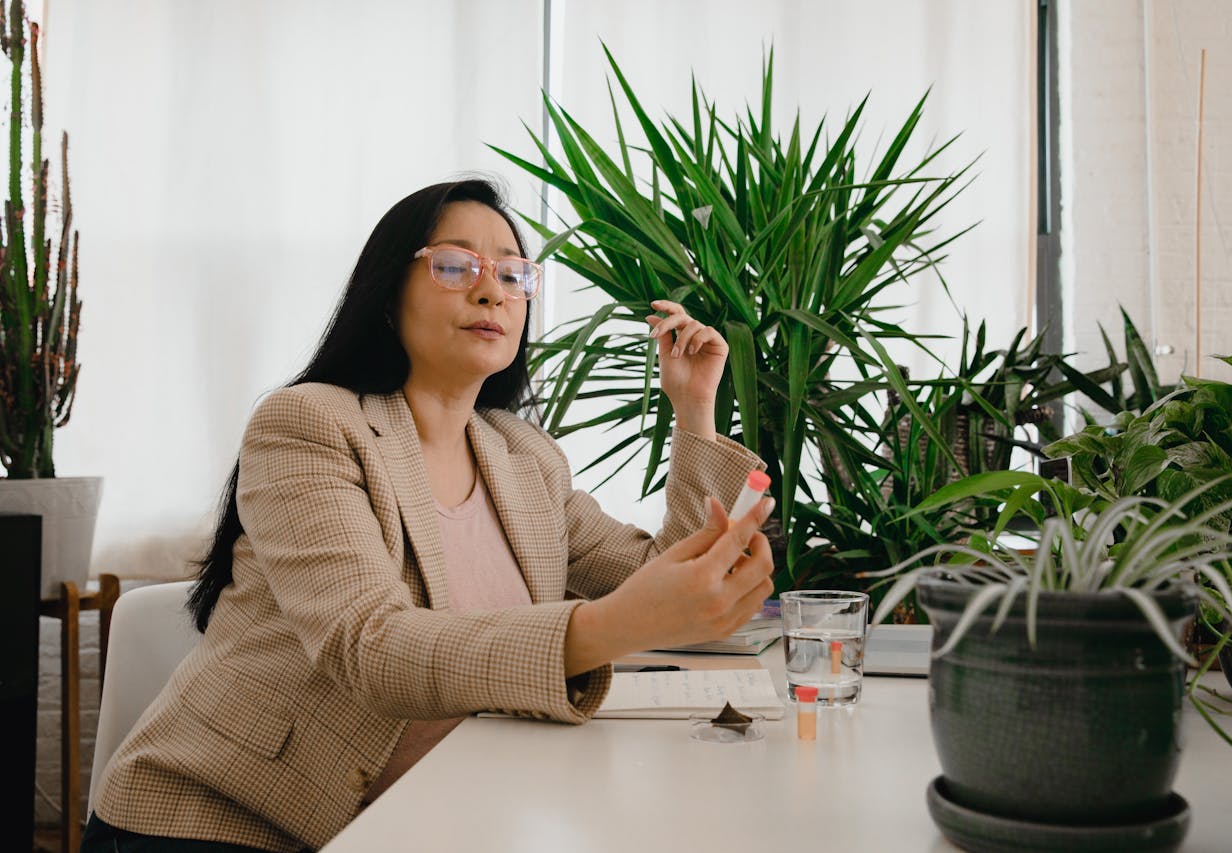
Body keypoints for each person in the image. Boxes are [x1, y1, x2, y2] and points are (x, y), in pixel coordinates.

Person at [83, 179, 774, 852]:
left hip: (427, 814)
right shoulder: (310, 425)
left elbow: (665, 581)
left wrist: (693, 410)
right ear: (388, 294)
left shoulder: (526, 456)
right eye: (454, 265)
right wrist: (609, 626)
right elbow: (371, 646)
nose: (490, 290)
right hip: (223, 821)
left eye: (512, 275)